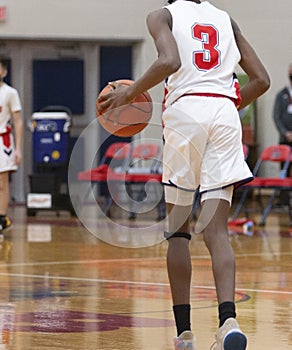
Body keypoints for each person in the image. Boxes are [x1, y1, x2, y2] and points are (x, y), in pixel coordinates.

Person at [97, 1, 270, 349]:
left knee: (178, 233)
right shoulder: (225, 19)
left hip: (186, 114)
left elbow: (169, 62)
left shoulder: (162, 14)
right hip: (223, 115)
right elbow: (262, 80)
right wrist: (223, 103)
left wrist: (127, 94)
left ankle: (185, 334)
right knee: (217, 231)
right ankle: (228, 322)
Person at [0, 58, 23, 233]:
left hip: (3, 140)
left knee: (2, 182)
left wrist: (19, 149)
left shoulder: (10, 93)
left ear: (4, 71)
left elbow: (18, 121)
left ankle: (2, 218)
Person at [273, 63, 292, 206]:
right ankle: (283, 200)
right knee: (284, 171)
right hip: (284, 140)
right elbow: (276, 116)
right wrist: (285, 133)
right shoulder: (281, 94)